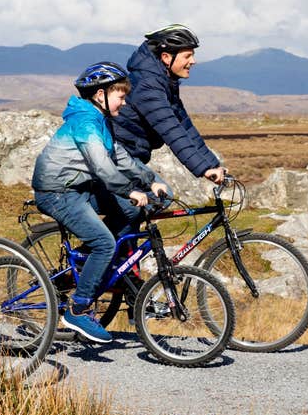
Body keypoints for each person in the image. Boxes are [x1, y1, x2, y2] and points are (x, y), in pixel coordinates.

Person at [31, 62, 169, 343]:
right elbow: (103, 168)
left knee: (132, 211)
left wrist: (152, 179)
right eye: (120, 95)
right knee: (105, 242)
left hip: (79, 188)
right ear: (100, 95)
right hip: (58, 193)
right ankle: (78, 310)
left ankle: (90, 262)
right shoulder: (85, 123)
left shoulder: (99, 120)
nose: (124, 101)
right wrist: (131, 189)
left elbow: (120, 157)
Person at [112, 23, 226, 185]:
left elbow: (185, 127)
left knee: (155, 199)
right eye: (187, 56)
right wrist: (204, 169)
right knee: (154, 199)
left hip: (130, 155)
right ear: (166, 57)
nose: (193, 61)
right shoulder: (148, 86)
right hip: (118, 156)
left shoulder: (164, 83)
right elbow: (171, 130)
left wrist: (213, 164)